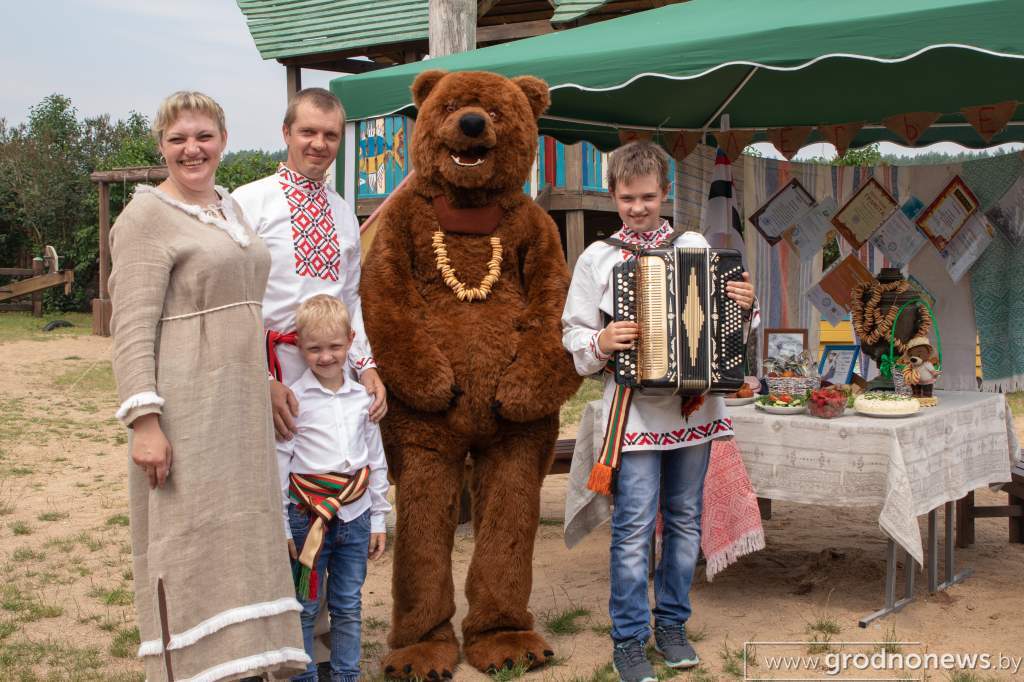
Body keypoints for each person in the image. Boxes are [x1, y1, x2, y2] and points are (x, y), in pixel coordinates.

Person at [109, 91, 308, 682]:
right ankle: (193, 665)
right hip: (187, 402)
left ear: (223, 140)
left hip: (240, 401)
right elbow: (130, 326)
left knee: (242, 524)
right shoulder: (144, 218)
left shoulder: (230, 209)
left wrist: (266, 382)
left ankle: (243, 659)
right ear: (162, 147)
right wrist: (145, 422)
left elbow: (247, 307)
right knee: (188, 534)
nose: (191, 149)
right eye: (178, 139)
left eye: (203, 136)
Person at [561, 141, 758, 682]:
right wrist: (602, 337)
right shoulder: (598, 258)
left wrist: (746, 306)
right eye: (627, 198)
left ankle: (671, 624)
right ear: (613, 194)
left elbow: (733, 325)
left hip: (694, 409)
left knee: (686, 521)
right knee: (633, 528)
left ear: (665, 193)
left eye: (648, 197)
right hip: (636, 414)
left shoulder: (694, 244)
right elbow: (573, 335)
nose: (638, 208)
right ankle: (628, 639)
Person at [232, 88, 386, 442]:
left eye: (330, 135)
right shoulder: (249, 201)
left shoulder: (343, 211)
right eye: (308, 132)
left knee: (327, 478)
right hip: (267, 370)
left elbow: (350, 300)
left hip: (330, 373)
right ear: (286, 133)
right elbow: (234, 302)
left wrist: (366, 367)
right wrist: (263, 381)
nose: (319, 143)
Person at [277, 294, 390, 682]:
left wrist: (378, 519)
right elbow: (281, 461)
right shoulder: (294, 397)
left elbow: (375, 460)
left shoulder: (363, 398)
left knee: (347, 604)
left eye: (335, 347)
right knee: (305, 606)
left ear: (350, 341)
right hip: (306, 516)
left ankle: (346, 676)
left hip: (355, 517)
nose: (326, 357)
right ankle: (304, 677)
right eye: (315, 349)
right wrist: (280, 521)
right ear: (299, 346)